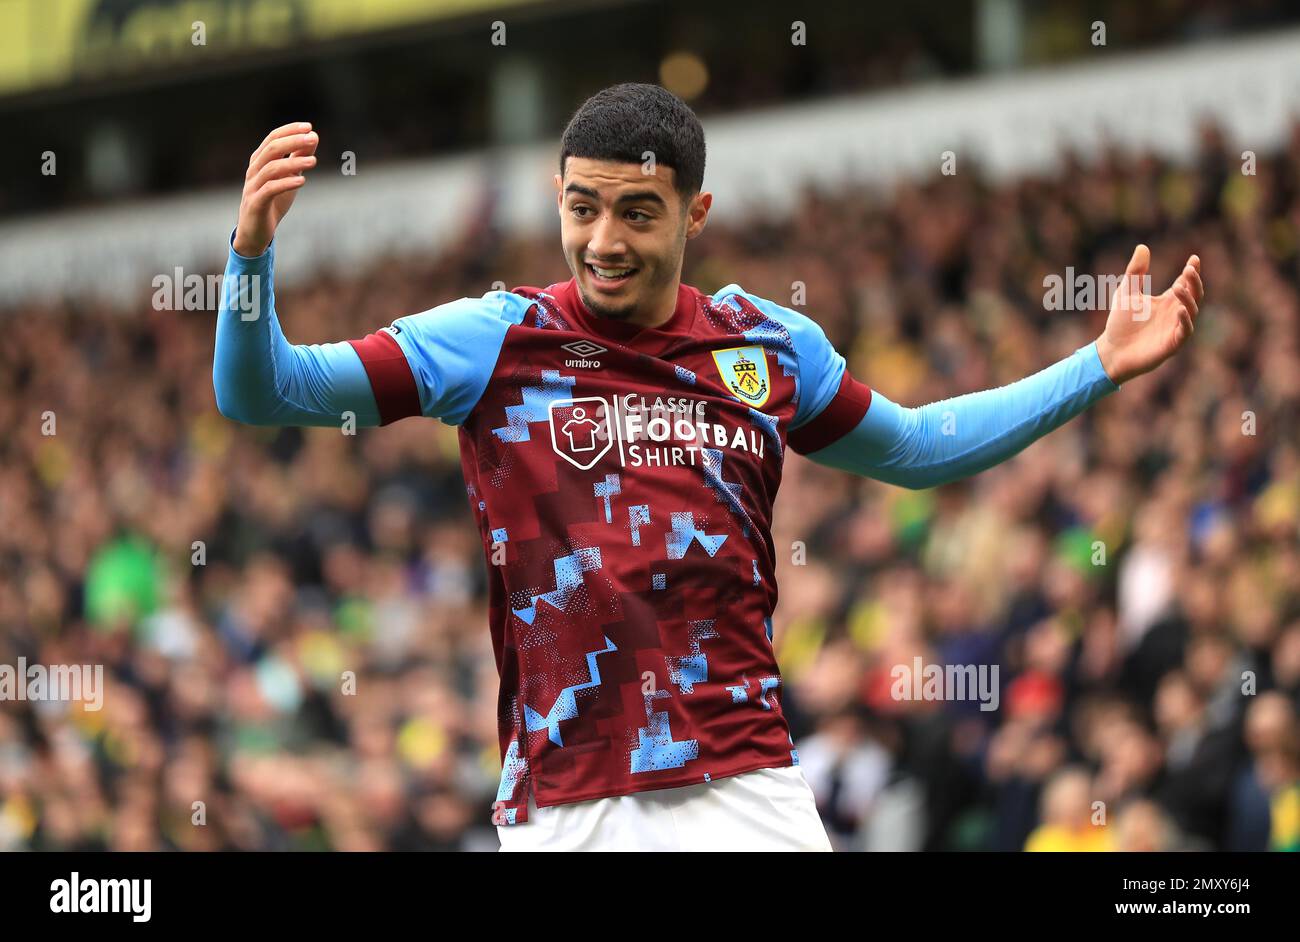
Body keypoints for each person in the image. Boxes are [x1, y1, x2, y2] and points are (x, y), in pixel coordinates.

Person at [213, 82, 1204, 851]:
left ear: (696, 213)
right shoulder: (495, 339)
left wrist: (1097, 367)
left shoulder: (768, 349)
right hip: (571, 802)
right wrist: (250, 257)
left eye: (637, 212)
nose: (603, 241)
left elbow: (917, 451)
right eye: (582, 207)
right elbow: (266, 392)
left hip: (746, 787)